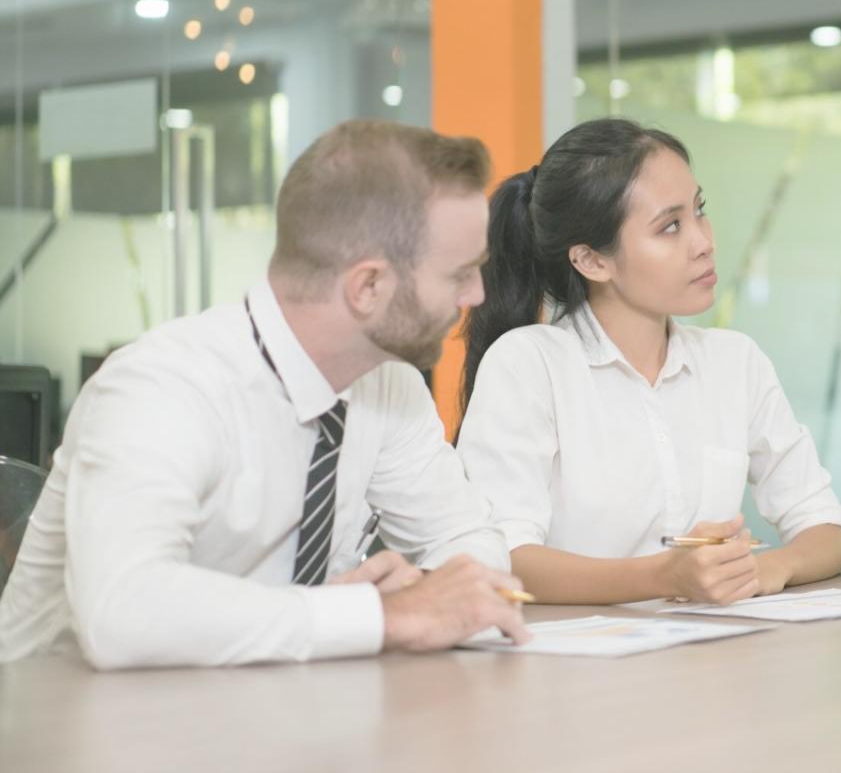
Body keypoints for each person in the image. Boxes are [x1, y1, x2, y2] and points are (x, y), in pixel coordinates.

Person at [0, 120, 531, 670]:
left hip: (261, 717)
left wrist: (427, 588)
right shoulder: (162, 386)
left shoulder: (385, 380)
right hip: (65, 729)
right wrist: (379, 616)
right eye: (460, 273)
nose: (478, 294)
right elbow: (122, 612)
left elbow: (470, 538)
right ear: (368, 286)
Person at [456, 117, 841, 605]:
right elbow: (504, 557)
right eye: (670, 227)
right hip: (565, 670)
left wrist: (766, 568)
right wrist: (667, 576)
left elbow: (828, 529)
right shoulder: (529, 364)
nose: (704, 241)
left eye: (698, 211)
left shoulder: (736, 362)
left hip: (708, 658)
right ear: (592, 261)